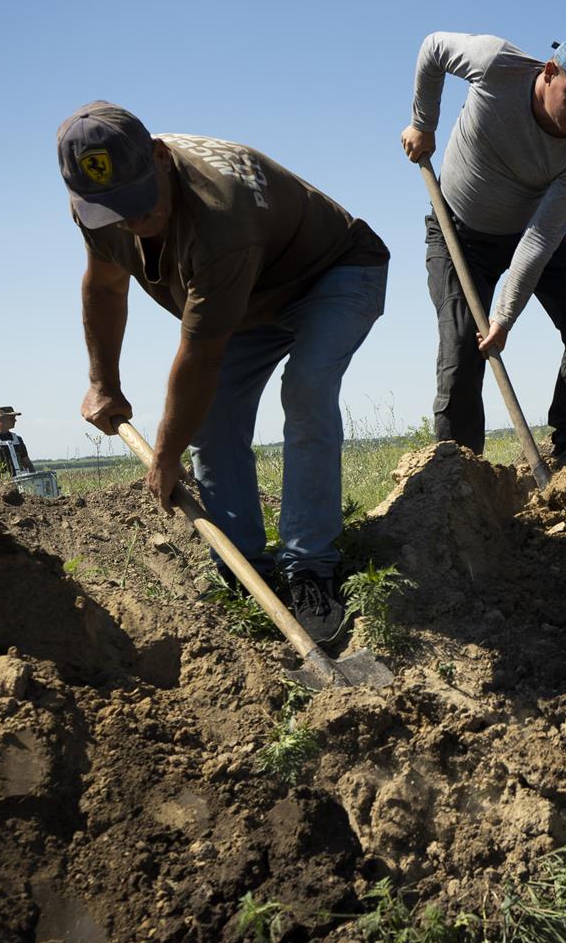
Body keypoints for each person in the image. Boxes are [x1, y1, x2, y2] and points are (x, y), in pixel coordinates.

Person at [58, 101, 391, 649]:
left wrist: (166, 455)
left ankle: (311, 568)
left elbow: (202, 353)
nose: (132, 222)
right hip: (251, 297)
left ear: (161, 159)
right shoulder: (98, 208)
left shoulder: (221, 215)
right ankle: (244, 567)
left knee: (306, 388)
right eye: (113, 211)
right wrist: (103, 381)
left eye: (140, 204)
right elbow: (104, 285)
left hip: (332, 271)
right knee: (211, 419)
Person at [399, 33, 566, 467]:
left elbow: (540, 237)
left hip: (528, 233)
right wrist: (423, 122)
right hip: (458, 231)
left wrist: (504, 316)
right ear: (550, 72)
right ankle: (457, 469)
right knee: (462, 343)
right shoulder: (497, 65)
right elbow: (433, 49)